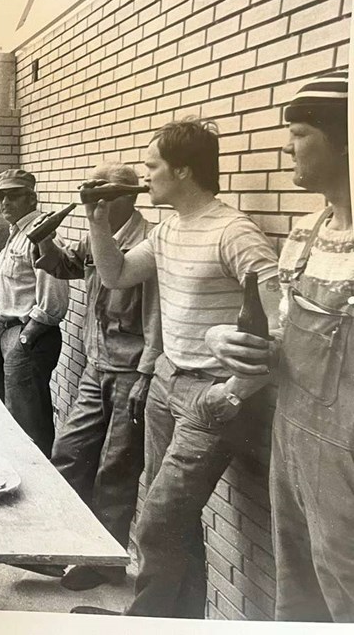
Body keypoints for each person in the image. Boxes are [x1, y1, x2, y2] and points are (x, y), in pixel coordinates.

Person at [71, 119, 281, 619]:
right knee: (175, 521)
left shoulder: (234, 232)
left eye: (153, 166)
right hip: (168, 381)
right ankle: (180, 622)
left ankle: (144, 622)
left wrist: (234, 390)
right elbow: (116, 274)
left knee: (159, 521)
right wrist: (97, 222)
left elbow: (282, 323)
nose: (145, 177)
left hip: (210, 396)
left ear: (184, 170)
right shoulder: (169, 229)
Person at [205, 72, 354, 622]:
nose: (286, 148)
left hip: (345, 457)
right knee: (299, 591)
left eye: (299, 134)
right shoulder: (304, 234)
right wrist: (224, 342)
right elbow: (283, 336)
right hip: (291, 439)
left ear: (346, 140)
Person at [32, 162, 161, 591]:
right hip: (97, 363)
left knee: (116, 469)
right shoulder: (96, 235)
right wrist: (45, 242)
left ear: (125, 196)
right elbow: (66, 265)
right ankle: (58, 548)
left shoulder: (148, 243)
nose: (92, 200)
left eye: (102, 194)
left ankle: (105, 563)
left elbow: (156, 315)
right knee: (70, 450)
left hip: (131, 368)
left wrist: (146, 373)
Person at [0, 169, 69, 457]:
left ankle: (39, 472)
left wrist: (26, 338)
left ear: (31, 199)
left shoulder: (41, 234)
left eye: (13, 196)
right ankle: (4, 457)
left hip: (30, 333)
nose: (5, 203)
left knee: (28, 418)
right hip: (5, 328)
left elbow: (54, 300)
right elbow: (19, 282)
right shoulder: (15, 232)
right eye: (0, 196)